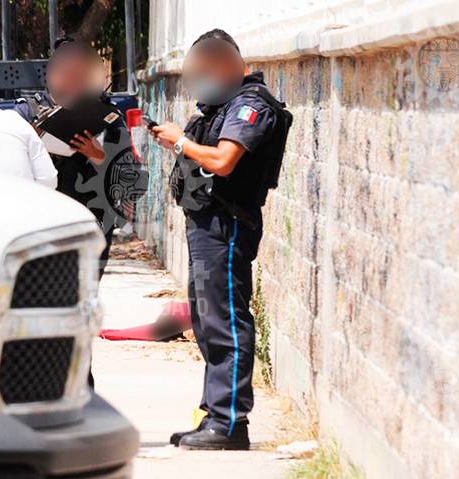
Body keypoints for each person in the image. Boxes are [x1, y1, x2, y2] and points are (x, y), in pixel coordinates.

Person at [151, 29, 292, 451]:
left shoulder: (250, 105)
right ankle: (215, 415)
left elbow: (225, 161)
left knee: (226, 321)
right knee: (209, 321)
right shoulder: (223, 105)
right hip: (208, 225)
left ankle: (230, 424)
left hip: (227, 226)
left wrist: (181, 141)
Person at [16, 38, 129, 278]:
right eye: (66, 71)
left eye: (81, 72)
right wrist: (33, 139)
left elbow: (129, 173)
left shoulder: (108, 115)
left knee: (85, 290)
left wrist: (97, 155)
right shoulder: (27, 111)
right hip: (42, 220)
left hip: (93, 217)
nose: (73, 79)